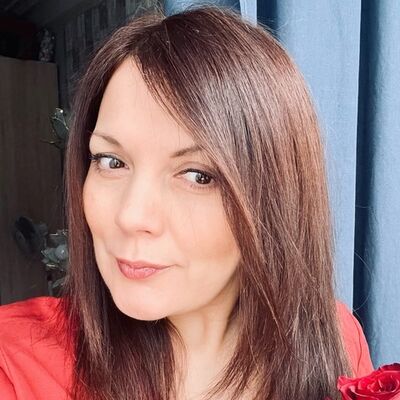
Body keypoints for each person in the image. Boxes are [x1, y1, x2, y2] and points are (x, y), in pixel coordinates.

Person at [0, 6, 373, 400]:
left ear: (275, 199)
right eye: (112, 162)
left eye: (197, 175)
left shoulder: (337, 339)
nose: (131, 216)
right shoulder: (16, 363)